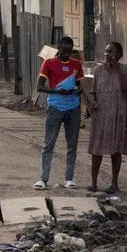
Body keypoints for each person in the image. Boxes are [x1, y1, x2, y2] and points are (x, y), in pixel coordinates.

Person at [34, 36, 84, 190]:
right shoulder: (48, 63)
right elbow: (40, 87)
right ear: (58, 49)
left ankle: (69, 178)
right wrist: (56, 90)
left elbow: (80, 86)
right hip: (55, 107)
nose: (66, 54)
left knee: (72, 144)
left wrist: (76, 91)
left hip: (73, 107)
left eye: (69, 51)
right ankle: (43, 178)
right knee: (49, 143)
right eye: (64, 51)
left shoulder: (76, 64)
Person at [87, 41, 127, 194]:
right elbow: (93, 92)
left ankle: (114, 184)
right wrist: (93, 104)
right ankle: (94, 183)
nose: (108, 55)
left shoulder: (126, 71)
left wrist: (118, 72)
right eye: (107, 52)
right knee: (97, 150)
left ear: (119, 55)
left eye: (112, 52)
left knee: (116, 151)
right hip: (101, 116)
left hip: (117, 116)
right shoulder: (98, 70)